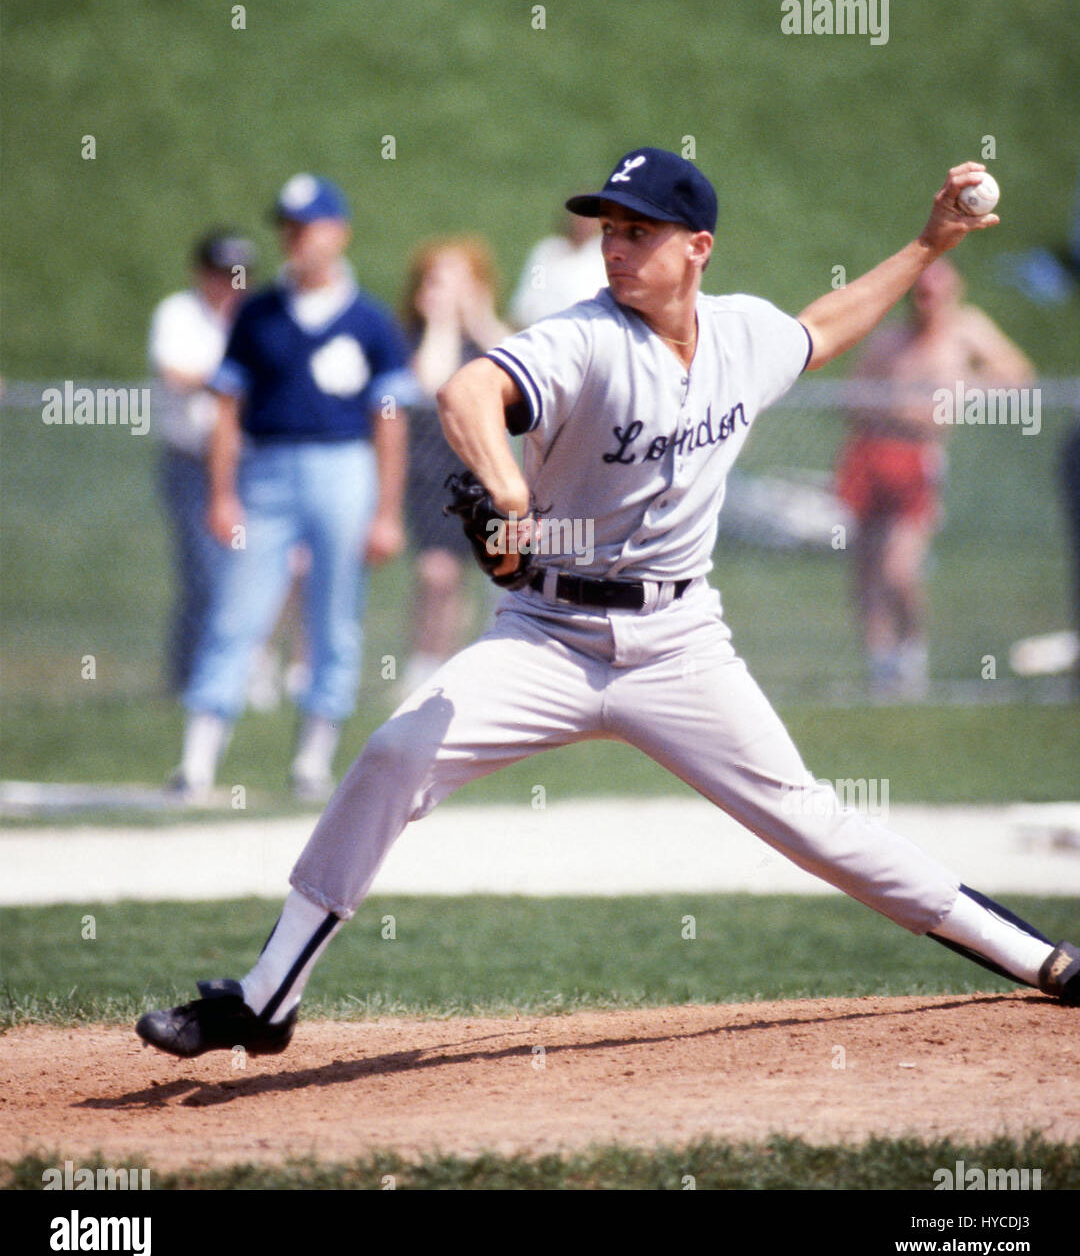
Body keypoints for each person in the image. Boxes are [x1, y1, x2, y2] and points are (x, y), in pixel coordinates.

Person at [137, 149, 1078, 1058]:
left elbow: (825, 327)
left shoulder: (743, 337)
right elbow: (471, 389)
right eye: (607, 229)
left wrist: (928, 246)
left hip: (679, 645)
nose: (614, 247)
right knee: (391, 756)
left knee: (814, 823)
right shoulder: (583, 337)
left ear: (697, 246)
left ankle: (1037, 957)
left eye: (637, 230)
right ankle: (267, 999)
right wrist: (507, 489)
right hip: (547, 636)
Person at [171, 174, 414, 803]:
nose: (295, 240)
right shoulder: (258, 313)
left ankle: (314, 758)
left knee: (335, 613)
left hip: (343, 467)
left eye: (307, 226)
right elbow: (226, 407)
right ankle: (197, 761)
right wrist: (222, 494)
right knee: (238, 609)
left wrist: (387, 510)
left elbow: (390, 420)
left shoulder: (370, 320)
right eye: (288, 227)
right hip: (269, 468)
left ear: (338, 232)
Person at [834, 258, 1034, 697]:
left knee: (900, 567)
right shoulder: (891, 340)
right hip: (872, 451)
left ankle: (911, 652)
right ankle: (881, 665)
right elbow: (852, 396)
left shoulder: (967, 331)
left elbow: (1018, 376)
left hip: (918, 455)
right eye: (921, 293)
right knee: (866, 567)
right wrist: (892, 404)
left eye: (937, 294)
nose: (929, 303)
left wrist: (960, 393)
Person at [400, 237, 511, 692]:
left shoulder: (488, 338)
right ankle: (424, 661)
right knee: (437, 572)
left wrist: (478, 316)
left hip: (481, 473)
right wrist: (442, 322)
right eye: (435, 281)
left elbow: (519, 361)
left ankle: (450, 662)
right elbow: (433, 382)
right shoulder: (414, 337)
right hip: (428, 476)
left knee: (466, 574)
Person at [148, 231, 256, 694]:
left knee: (250, 572)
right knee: (204, 573)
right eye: (221, 273)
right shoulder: (179, 313)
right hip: (191, 459)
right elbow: (176, 372)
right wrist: (228, 383)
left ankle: (241, 676)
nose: (230, 284)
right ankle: (189, 679)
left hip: (247, 460)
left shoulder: (254, 318)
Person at [509, 210, 606, 328]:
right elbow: (532, 293)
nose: (584, 224)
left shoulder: (603, 255)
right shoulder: (546, 251)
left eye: (589, 219)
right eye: (579, 219)